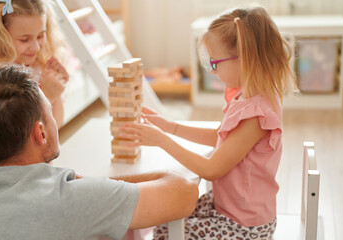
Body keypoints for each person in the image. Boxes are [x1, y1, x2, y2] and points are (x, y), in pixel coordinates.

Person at [0, 65, 199, 240]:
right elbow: (185, 192)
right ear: (41, 133)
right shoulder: (72, 198)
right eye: (50, 110)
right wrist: (92, 184)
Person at [120, 6, 297, 240]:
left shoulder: (256, 115)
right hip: (228, 209)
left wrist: (162, 141)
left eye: (215, 63)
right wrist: (169, 126)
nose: (213, 71)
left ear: (244, 59)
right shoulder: (250, 96)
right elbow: (221, 137)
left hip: (243, 226)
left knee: (163, 231)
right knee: (164, 215)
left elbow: (211, 170)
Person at [0, 0, 69, 127]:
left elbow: (56, 125)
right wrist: (47, 96)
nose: (36, 47)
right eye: (24, 40)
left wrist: (56, 91)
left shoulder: (36, 65)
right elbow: (19, 136)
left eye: (40, 36)